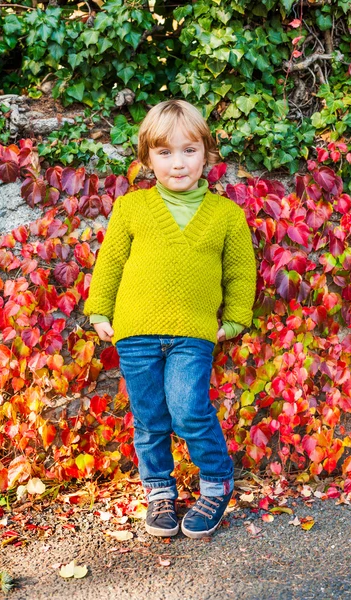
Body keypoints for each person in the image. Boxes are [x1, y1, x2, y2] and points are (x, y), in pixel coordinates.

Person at [83, 99, 257, 539]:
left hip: (192, 334)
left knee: (189, 409)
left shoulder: (225, 216)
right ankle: (159, 490)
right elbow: (111, 262)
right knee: (149, 416)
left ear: (207, 154)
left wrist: (235, 320)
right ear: (147, 159)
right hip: (135, 331)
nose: (178, 163)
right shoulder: (132, 209)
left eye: (189, 150)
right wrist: (99, 308)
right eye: (165, 153)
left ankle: (217, 484)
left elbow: (240, 272)